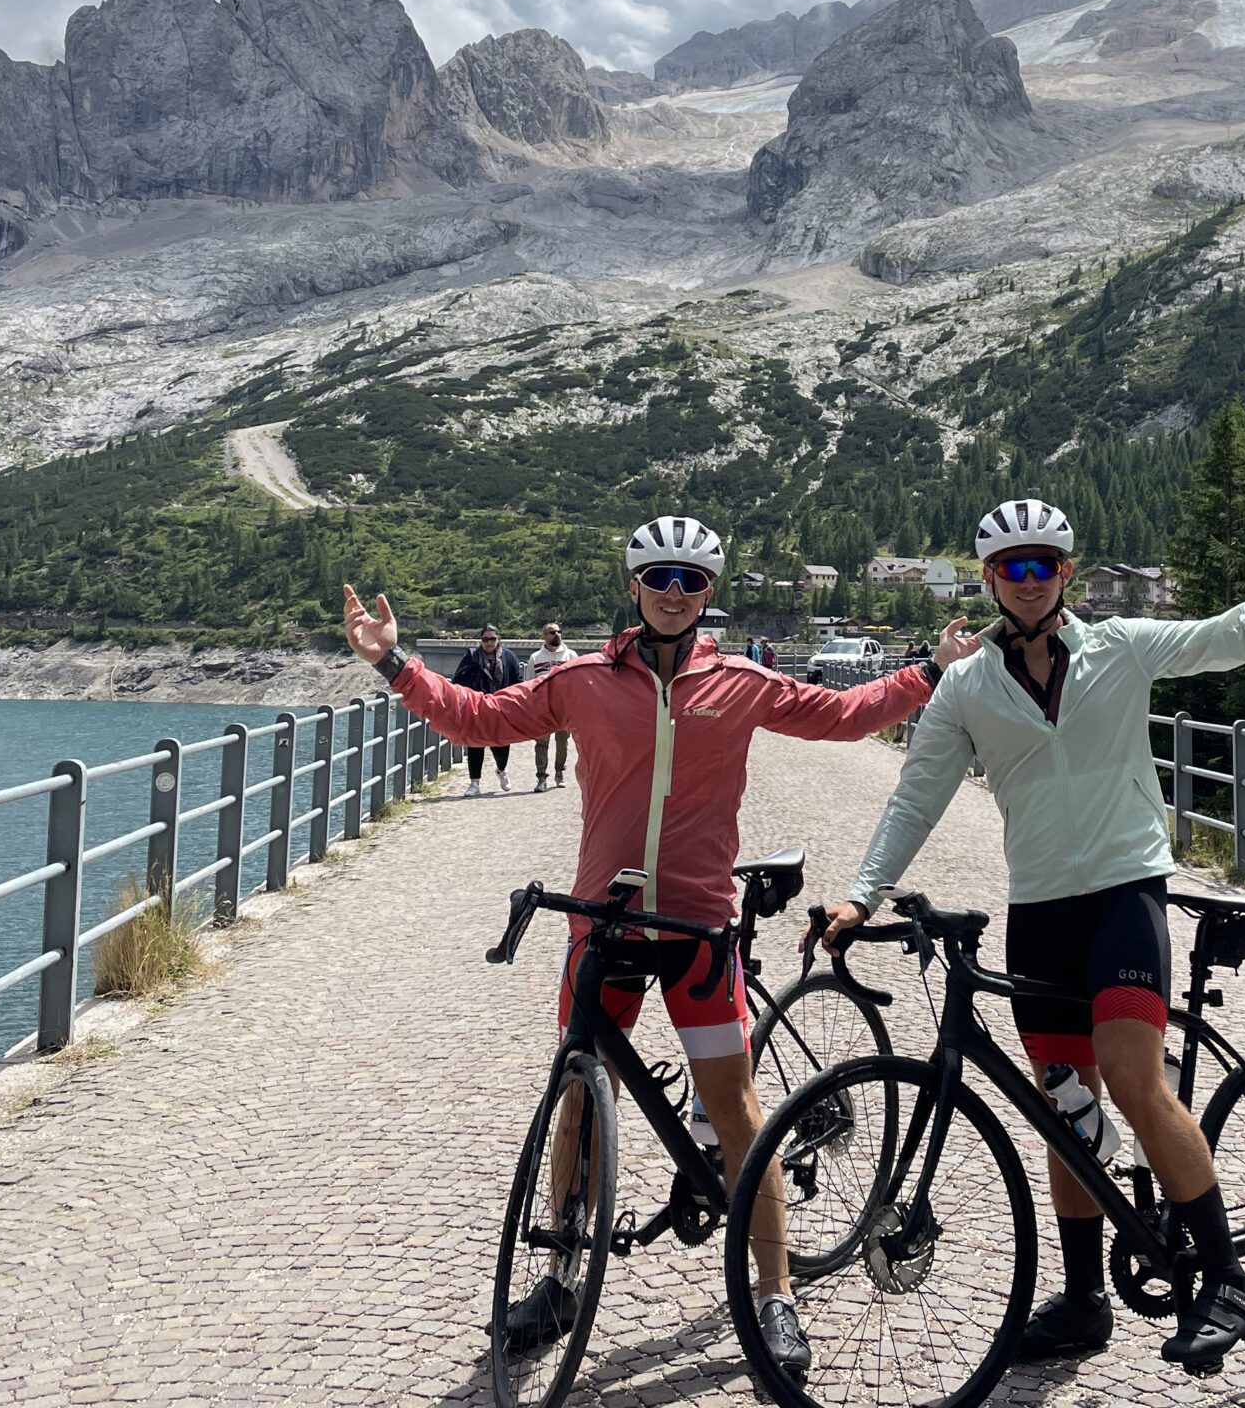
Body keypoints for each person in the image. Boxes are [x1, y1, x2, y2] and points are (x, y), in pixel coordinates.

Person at [342, 517, 977, 1378]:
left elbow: (843, 716)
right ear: (634, 587)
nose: (675, 594)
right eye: (659, 579)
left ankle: (775, 1296)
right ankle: (562, 1273)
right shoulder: (581, 681)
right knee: (579, 1096)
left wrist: (930, 671)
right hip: (602, 930)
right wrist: (393, 664)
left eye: (691, 582)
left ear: (707, 593)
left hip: (698, 932)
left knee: (738, 1109)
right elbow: (482, 720)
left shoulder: (744, 683)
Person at [821, 493, 1245, 1374]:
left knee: (1130, 1080)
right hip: (1041, 910)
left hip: (1126, 892)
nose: (1025, 580)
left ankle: (1229, 1278)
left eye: (1041, 564)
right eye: (1010, 567)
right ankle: (1085, 1303)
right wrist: (864, 893)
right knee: (1062, 1110)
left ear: (1067, 574)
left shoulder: (1121, 647)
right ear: (988, 579)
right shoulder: (968, 684)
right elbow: (918, 792)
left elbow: (1239, 632)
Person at [452, 626, 525, 793]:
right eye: (485, 639)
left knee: (501, 743)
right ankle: (475, 783)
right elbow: (458, 679)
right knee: (475, 745)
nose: (489, 643)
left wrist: (513, 702)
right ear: (481, 640)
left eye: (492, 639)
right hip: (476, 706)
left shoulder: (509, 657)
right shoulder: (471, 657)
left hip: (501, 707)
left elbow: (517, 681)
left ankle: (502, 770)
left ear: (498, 639)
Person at [527, 623, 579, 790]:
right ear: (543, 636)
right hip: (543, 708)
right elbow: (528, 684)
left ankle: (559, 771)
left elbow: (578, 683)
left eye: (558, 631)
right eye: (551, 632)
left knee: (562, 742)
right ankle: (541, 777)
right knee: (541, 743)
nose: (556, 634)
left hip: (564, 708)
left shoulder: (571, 656)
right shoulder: (535, 658)